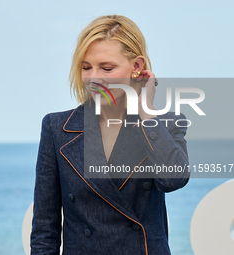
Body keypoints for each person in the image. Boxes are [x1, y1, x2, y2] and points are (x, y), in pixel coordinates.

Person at [30, 14, 189, 255]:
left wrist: (146, 113)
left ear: (136, 67)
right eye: (86, 68)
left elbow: (173, 180)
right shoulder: (57, 127)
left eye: (107, 67)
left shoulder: (166, 124)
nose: (94, 78)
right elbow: (45, 228)